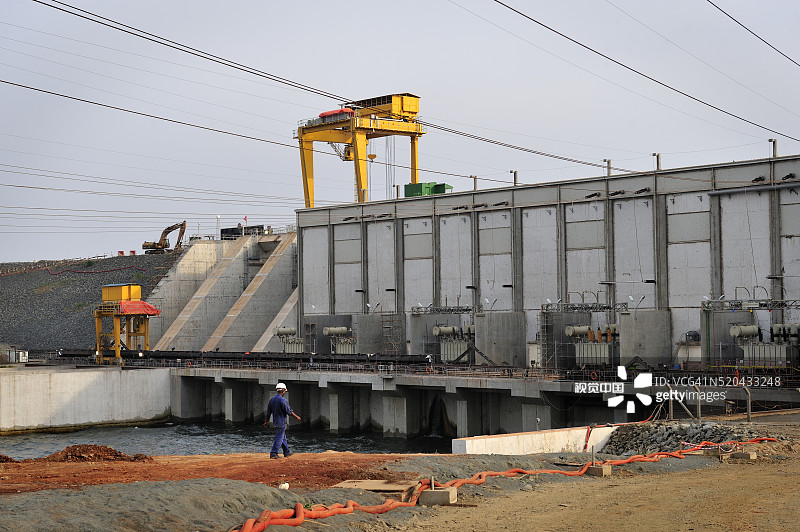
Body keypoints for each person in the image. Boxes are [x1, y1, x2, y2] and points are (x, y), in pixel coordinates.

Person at [264, 382, 301, 459]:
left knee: (282, 437)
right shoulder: (283, 400)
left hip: (275, 422)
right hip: (281, 422)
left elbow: (268, 412)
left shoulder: (272, 400)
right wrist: (297, 417)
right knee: (279, 437)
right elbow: (289, 411)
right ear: (283, 391)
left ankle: (286, 452)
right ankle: (273, 453)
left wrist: (266, 421)